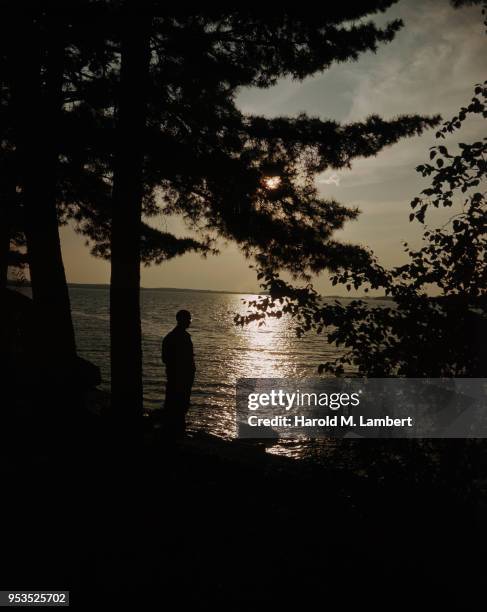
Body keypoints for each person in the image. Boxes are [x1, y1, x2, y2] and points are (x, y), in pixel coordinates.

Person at [161, 309, 196, 437]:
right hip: (181, 377)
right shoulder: (181, 338)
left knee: (175, 403)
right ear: (183, 320)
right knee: (180, 404)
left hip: (176, 377)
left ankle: (175, 430)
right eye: (188, 319)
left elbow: (165, 359)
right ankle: (177, 432)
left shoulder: (170, 337)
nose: (190, 322)